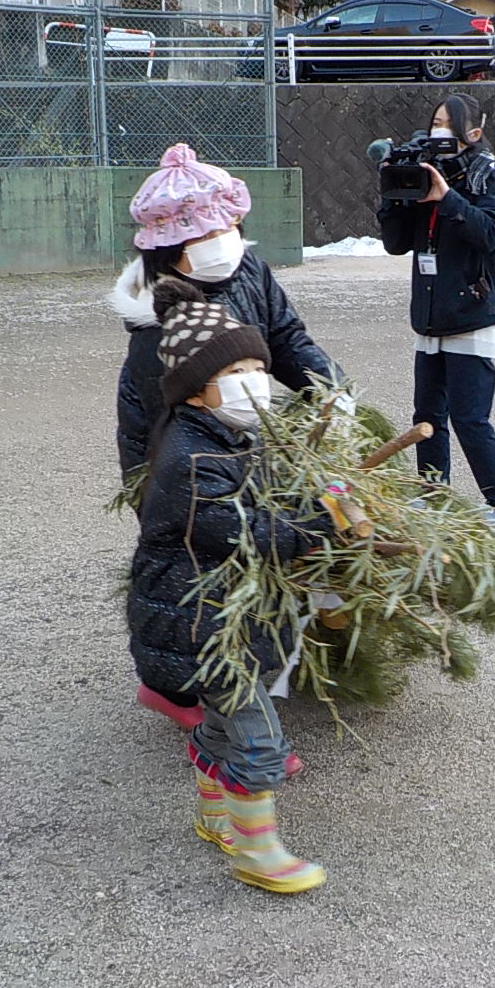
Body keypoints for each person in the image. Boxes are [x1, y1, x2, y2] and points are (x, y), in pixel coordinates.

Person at [111, 142, 346, 732]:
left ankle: (266, 663)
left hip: (242, 434)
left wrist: (329, 387)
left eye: (230, 228)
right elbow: (175, 430)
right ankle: (187, 691)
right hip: (184, 456)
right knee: (200, 571)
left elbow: (286, 338)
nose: (225, 242)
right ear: (170, 249)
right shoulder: (156, 327)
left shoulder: (249, 271)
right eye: (207, 235)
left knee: (259, 556)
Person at [126, 276, 332, 895]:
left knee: (221, 725)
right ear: (194, 391)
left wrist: (315, 495)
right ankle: (258, 853)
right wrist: (320, 522)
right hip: (199, 624)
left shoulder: (230, 435)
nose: (254, 382)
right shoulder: (192, 458)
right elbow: (249, 531)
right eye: (235, 371)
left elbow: (268, 501)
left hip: (221, 617)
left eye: (257, 368)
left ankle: (215, 818)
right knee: (258, 741)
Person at [377, 93, 495, 527]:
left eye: (447, 125)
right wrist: (393, 194)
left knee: (470, 418)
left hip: (471, 315)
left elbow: (493, 233)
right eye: (434, 123)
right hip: (431, 317)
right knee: (427, 416)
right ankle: (432, 493)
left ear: (472, 134)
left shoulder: (482, 174)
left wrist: (447, 198)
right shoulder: (424, 170)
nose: (437, 131)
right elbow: (396, 244)